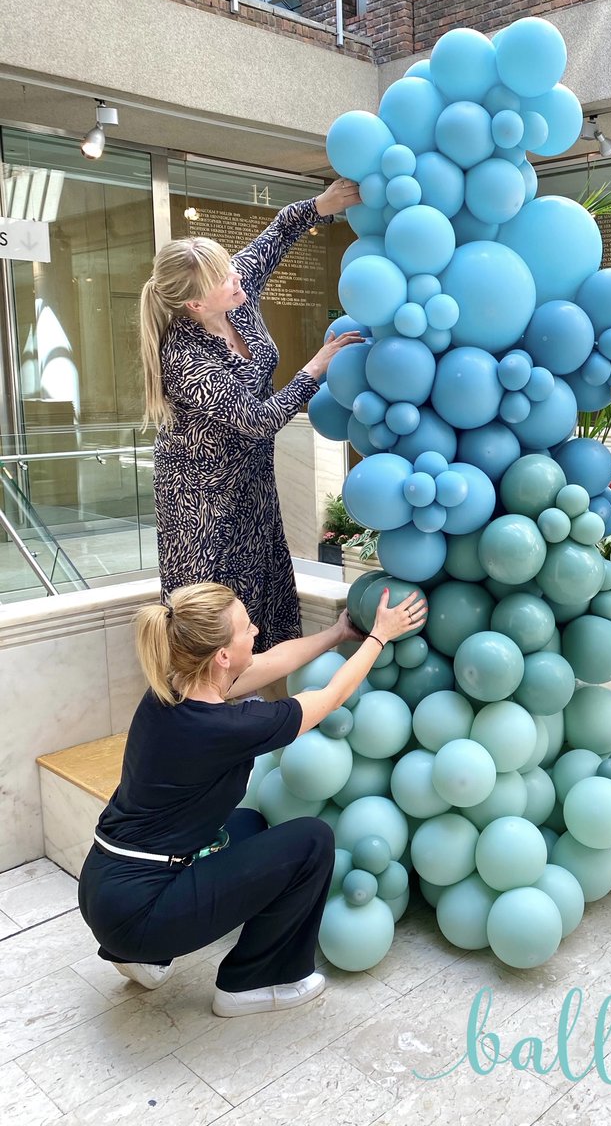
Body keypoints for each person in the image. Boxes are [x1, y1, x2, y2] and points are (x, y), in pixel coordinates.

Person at [78, 580, 426, 1018]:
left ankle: (142, 956)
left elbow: (272, 662)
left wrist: (337, 633)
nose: (256, 630)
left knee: (247, 827)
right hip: (139, 911)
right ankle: (251, 981)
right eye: (246, 628)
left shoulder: (174, 688)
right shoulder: (225, 728)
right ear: (222, 655)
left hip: (104, 887)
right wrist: (381, 635)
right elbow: (331, 697)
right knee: (311, 842)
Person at [140, 180, 363, 652]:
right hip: (200, 498)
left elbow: (276, 235)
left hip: (251, 480)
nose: (237, 278)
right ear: (195, 305)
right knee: (214, 616)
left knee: (264, 593)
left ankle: (259, 703)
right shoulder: (185, 359)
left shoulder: (232, 289)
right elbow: (257, 420)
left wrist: (321, 206)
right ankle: (206, 712)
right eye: (225, 279)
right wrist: (313, 370)